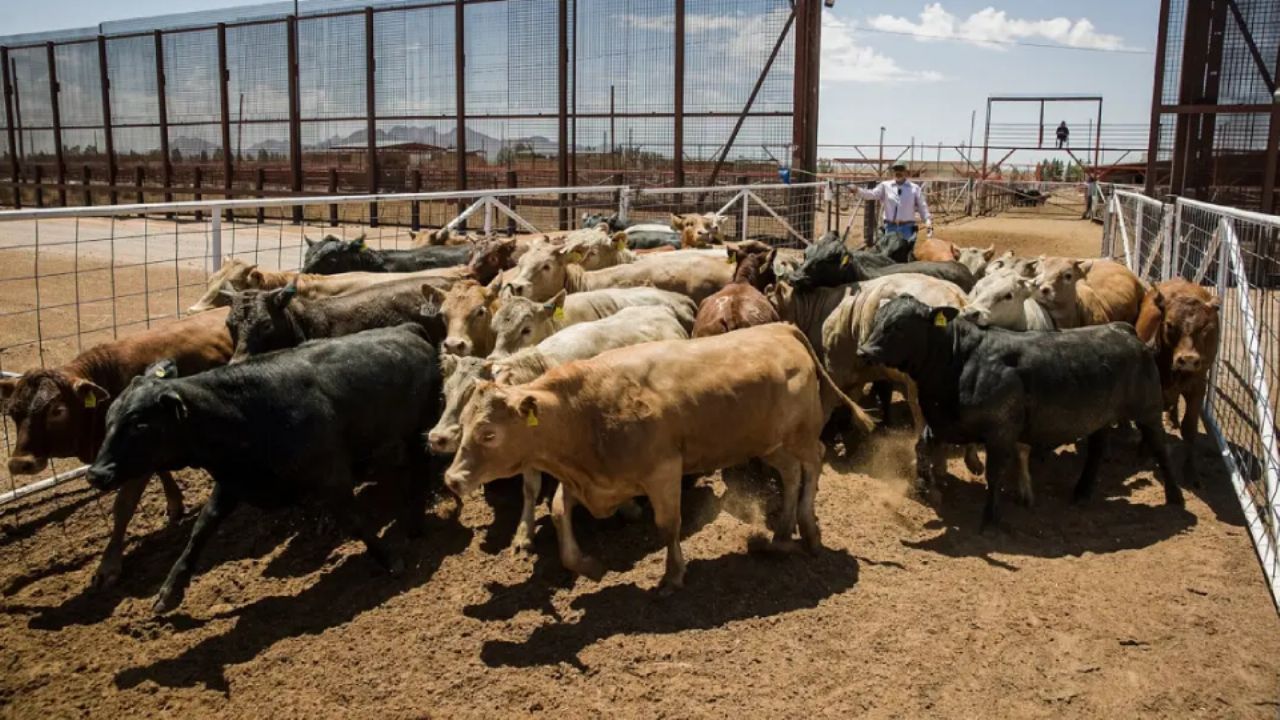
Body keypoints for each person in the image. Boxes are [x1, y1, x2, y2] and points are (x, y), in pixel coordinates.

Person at [855, 163, 932, 240]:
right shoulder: (885, 186)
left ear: (905, 172)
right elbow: (871, 194)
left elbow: (922, 206)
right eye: (896, 170)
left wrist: (927, 221)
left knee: (905, 251)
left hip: (907, 228)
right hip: (890, 227)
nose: (898, 172)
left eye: (901, 170)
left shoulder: (914, 188)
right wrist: (857, 190)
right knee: (889, 251)